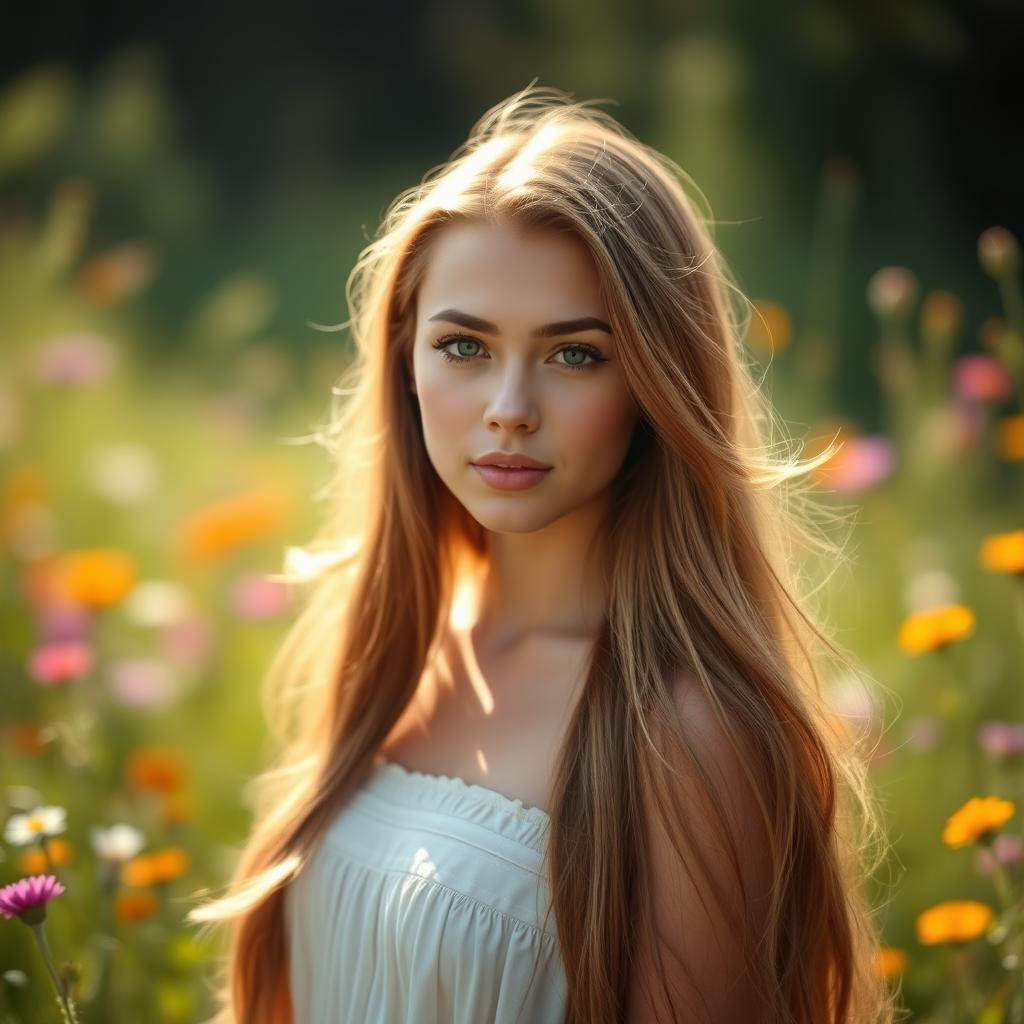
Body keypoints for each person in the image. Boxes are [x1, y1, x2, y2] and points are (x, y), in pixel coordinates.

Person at [189, 83, 900, 1024]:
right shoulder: (395, 652)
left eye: (575, 355)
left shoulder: (687, 730)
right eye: (464, 346)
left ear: (656, 381)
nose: (509, 408)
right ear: (405, 357)